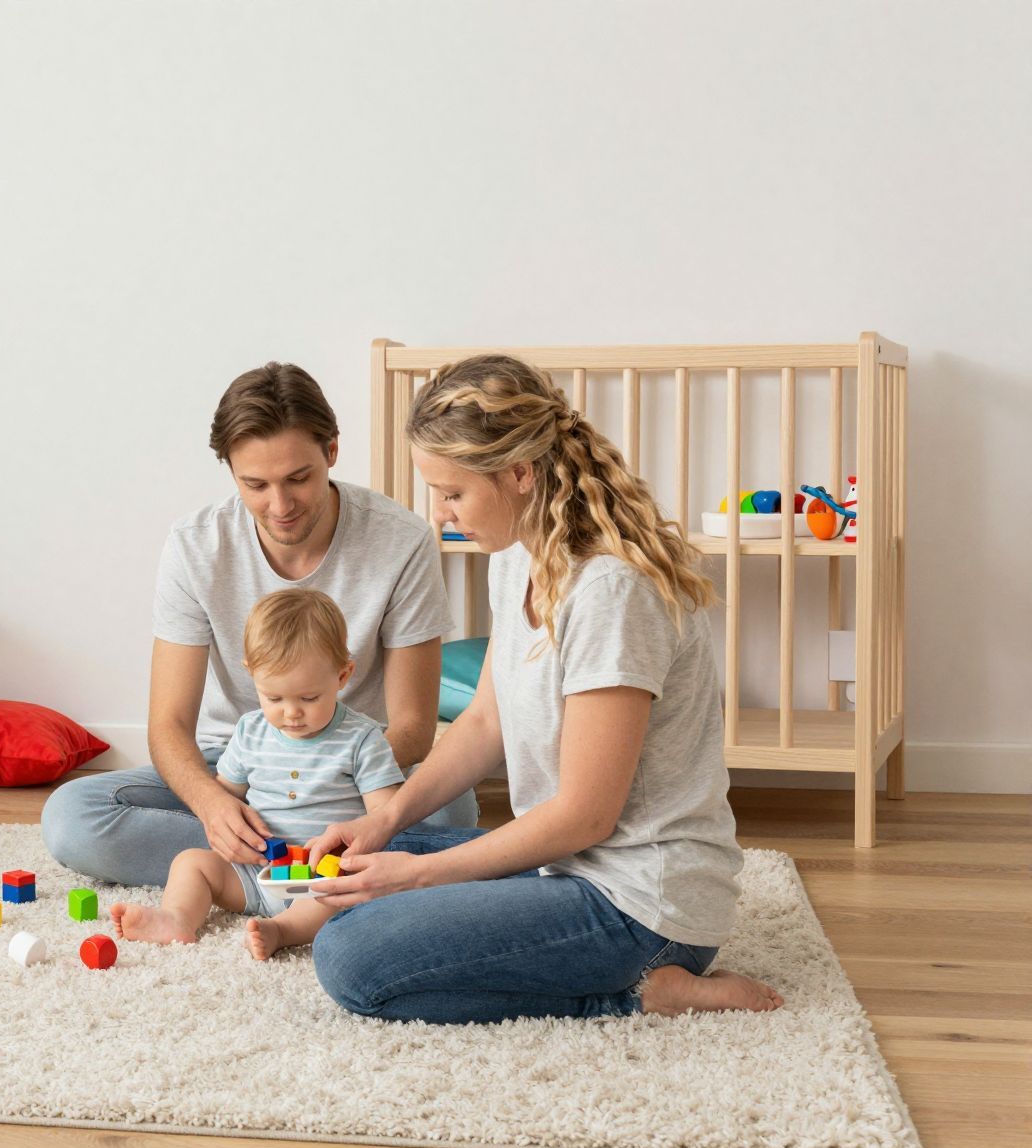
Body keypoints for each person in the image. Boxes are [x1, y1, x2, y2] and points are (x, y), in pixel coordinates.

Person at [303, 353, 784, 1024]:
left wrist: (414, 879)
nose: (439, 514)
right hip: (566, 864)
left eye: (452, 493)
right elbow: (481, 726)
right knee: (351, 867)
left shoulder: (611, 592)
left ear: (520, 473)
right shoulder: (516, 558)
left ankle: (643, 993)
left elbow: (589, 816)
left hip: (639, 900)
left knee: (352, 957)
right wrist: (381, 821)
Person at [41, 362, 475, 891]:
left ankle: (255, 870)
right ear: (230, 471)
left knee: (451, 810)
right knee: (73, 816)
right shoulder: (196, 545)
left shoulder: (401, 541)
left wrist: (337, 781)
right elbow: (168, 726)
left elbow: (412, 728)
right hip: (235, 763)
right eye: (255, 484)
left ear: (331, 452)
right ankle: (299, 863)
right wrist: (212, 804)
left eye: (299, 478)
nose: (281, 506)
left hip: (362, 763)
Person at [108, 589, 404, 960]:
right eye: (274, 698)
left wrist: (352, 849)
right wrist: (227, 828)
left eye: (309, 698)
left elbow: (387, 816)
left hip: (322, 878)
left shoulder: (362, 739)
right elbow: (223, 797)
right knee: (191, 863)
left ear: (343, 674)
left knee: (342, 894)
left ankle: (283, 931)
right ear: (252, 674)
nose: (291, 713)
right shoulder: (250, 731)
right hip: (254, 873)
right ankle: (176, 917)